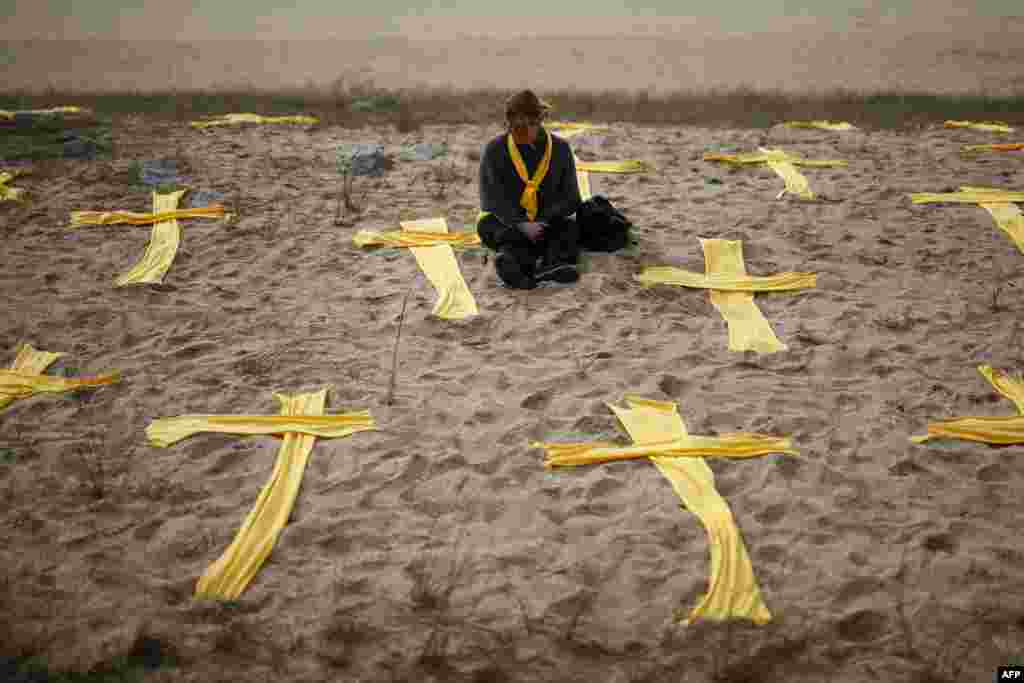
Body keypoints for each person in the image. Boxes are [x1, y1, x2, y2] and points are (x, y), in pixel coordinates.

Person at [477, 90, 583, 289]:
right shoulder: (495, 150)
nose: (519, 132)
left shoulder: (560, 149)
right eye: (515, 126)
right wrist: (521, 224)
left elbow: (572, 198)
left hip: (548, 223)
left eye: (526, 125)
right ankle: (518, 266)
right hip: (513, 225)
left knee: (569, 228)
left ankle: (549, 267)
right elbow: (491, 200)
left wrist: (543, 220)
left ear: (538, 121)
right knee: (487, 225)